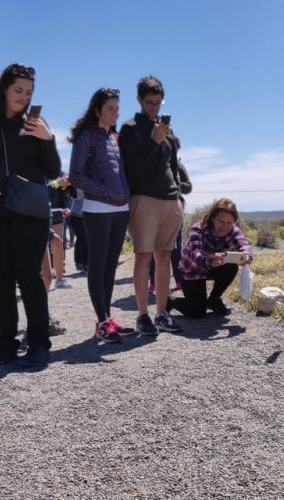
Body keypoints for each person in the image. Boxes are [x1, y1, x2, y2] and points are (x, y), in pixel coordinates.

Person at [0, 63, 61, 368]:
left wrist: (46, 139)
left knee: (29, 276)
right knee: (0, 278)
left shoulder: (37, 123)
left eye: (29, 91)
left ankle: (38, 344)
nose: (24, 97)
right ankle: (6, 344)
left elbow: (52, 172)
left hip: (30, 210)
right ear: (4, 90)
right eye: (18, 90)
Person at [119, 75, 184, 336]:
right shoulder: (130, 128)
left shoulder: (166, 130)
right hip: (143, 197)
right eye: (149, 102)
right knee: (144, 256)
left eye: (157, 102)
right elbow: (132, 167)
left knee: (165, 256)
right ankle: (142, 315)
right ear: (139, 100)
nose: (154, 107)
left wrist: (178, 192)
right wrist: (153, 140)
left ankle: (161, 313)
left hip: (170, 198)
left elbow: (172, 165)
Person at [69, 87, 133, 342]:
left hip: (121, 210)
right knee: (97, 265)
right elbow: (76, 175)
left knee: (110, 266)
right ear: (98, 109)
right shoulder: (87, 136)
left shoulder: (115, 137)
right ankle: (103, 321)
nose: (115, 113)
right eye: (110, 108)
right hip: (97, 209)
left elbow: (122, 172)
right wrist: (106, 192)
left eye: (117, 108)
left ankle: (107, 320)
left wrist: (124, 194)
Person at [168, 198, 253, 318]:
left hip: (212, 266)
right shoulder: (198, 228)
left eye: (229, 223)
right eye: (221, 222)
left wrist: (247, 256)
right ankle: (170, 301)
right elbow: (195, 254)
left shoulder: (232, 229)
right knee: (197, 312)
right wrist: (210, 261)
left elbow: (243, 243)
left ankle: (214, 300)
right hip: (192, 270)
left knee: (231, 266)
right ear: (213, 218)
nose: (225, 226)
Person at [149, 158, 193, 293]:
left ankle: (179, 280)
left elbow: (189, 187)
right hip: (152, 208)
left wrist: (176, 183)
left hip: (175, 208)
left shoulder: (179, 166)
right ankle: (154, 282)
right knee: (152, 248)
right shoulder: (151, 161)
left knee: (176, 248)